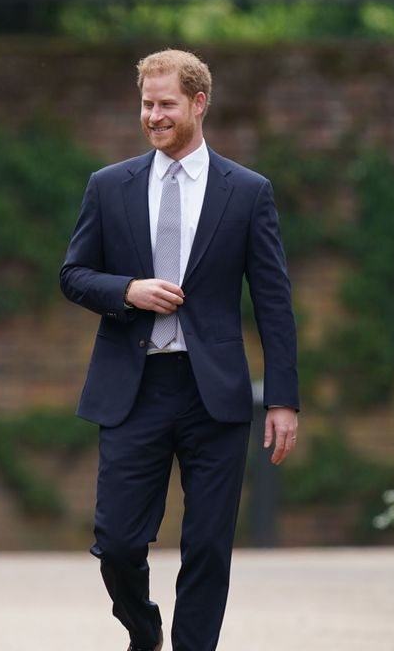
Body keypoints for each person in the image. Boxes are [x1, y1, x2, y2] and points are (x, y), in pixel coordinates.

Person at [60, 49, 300, 651]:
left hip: (213, 392)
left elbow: (274, 302)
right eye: (146, 104)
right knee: (116, 542)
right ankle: (144, 630)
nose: (154, 116)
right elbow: (73, 274)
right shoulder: (109, 185)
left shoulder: (247, 192)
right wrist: (128, 290)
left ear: (198, 103)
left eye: (166, 104)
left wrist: (283, 401)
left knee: (209, 546)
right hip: (131, 389)